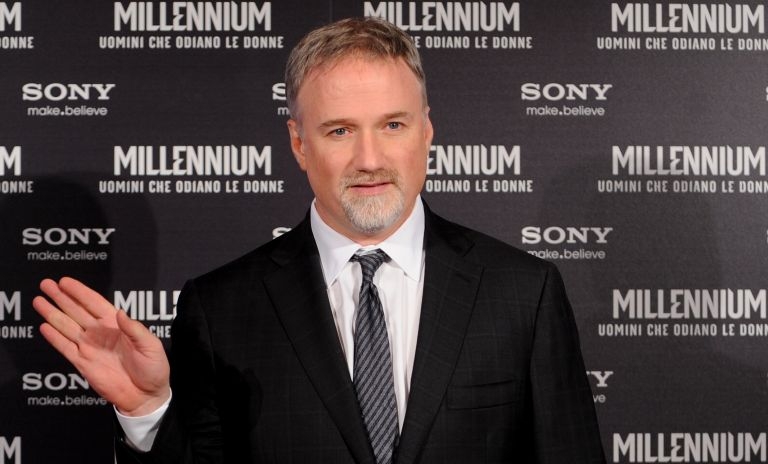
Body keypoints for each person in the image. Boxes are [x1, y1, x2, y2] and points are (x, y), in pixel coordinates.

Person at [33, 17, 605, 463]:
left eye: (393, 124)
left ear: (427, 130)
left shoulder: (523, 292)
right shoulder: (221, 308)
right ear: (299, 143)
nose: (370, 159)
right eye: (339, 130)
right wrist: (148, 411)